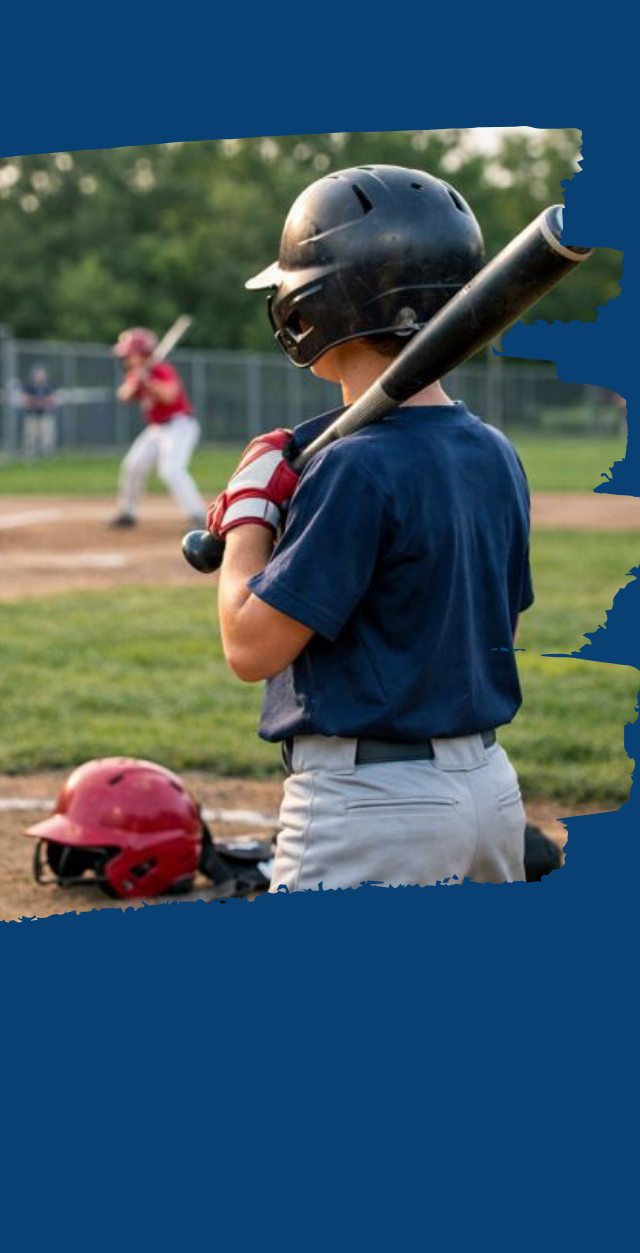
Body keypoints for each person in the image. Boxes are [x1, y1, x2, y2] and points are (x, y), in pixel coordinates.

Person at [205, 164, 529, 891]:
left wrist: (249, 520)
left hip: (374, 810)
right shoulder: (494, 452)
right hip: (491, 791)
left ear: (319, 302)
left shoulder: (354, 468)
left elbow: (250, 646)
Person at [109, 327, 208, 528]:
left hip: (179, 425)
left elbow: (170, 395)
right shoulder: (137, 373)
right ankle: (127, 513)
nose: (126, 359)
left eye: (130, 354)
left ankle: (198, 515)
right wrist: (137, 380)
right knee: (133, 466)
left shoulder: (161, 370)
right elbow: (123, 396)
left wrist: (148, 380)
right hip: (156, 430)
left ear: (142, 353)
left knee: (171, 469)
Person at [17, 363, 58, 459]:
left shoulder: (48, 387)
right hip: (32, 415)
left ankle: (47, 455)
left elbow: (53, 400)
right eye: (38, 374)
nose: (40, 376)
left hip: (45, 415)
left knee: (47, 436)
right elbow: (25, 400)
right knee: (30, 436)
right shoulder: (29, 387)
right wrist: (37, 401)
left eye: (42, 374)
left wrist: (41, 401)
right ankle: (29, 456)